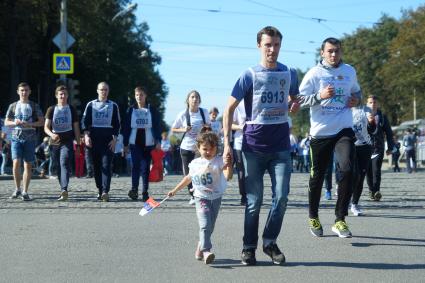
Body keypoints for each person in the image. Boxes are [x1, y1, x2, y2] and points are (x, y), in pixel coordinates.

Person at [222, 26, 300, 266]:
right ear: (259, 46)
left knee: (282, 197)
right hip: (253, 147)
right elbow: (229, 109)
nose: (272, 50)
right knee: (254, 201)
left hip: (280, 147)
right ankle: (248, 247)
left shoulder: (289, 73)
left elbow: (293, 100)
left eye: (276, 45)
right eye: (268, 45)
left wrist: (294, 105)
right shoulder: (249, 75)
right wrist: (226, 144)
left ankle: (269, 242)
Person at [299, 37, 361, 238]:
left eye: (337, 51)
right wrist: (320, 96)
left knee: (348, 169)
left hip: (344, 128)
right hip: (321, 132)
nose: (334, 55)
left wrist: (356, 100)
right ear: (322, 53)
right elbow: (299, 101)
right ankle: (313, 216)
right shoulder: (314, 74)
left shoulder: (349, 71)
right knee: (317, 176)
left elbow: (357, 92)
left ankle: (340, 219)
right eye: (330, 51)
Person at [167, 129, 232, 265]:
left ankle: (199, 247)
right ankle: (207, 250)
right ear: (198, 148)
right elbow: (188, 178)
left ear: (216, 149)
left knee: (210, 226)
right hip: (200, 197)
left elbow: (228, 176)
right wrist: (174, 190)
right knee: (205, 224)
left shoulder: (219, 161)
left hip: (216, 197)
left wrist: (229, 164)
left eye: (211, 149)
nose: (208, 152)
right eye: (205, 149)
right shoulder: (195, 163)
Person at [4, 82, 44, 200]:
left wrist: (30, 123)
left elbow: (41, 121)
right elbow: (6, 122)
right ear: (18, 92)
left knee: (28, 164)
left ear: (29, 92)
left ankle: (25, 191)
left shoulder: (34, 105)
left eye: (26, 90)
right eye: (22, 90)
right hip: (15, 137)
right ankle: (17, 188)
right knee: (16, 163)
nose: (24, 92)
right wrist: (14, 123)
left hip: (30, 138)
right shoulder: (13, 105)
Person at [81, 82, 121, 201]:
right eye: (101, 89)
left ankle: (105, 191)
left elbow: (117, 124)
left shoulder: (113, 106)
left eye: (106, 90)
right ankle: (99, 189)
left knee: (106, 165)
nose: (103, 92)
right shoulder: (90, 104)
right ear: (97, 91)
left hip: (107, 140)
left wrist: (115, 139)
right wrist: (86, 136)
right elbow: (85, 121)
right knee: (97, 167)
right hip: (93, 139)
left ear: (108, 91)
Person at [122, 86, 162, 201]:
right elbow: (126, 128)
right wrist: (125, 144)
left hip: (149, 142)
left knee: (145, 168)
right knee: (135, 166)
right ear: (135, 96)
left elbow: (157, 126)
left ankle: (145, 191)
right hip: (135, 142)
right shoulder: (130, 110)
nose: (139, 97)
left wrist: (158, 140)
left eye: (142, 94)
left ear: (146, 96)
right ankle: (134, 190)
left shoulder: (152, 109)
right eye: (137, 95)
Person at [171, 90, 210, 204]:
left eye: (197, 97)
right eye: (192, 97)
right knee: (188, 173)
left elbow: (209, 127)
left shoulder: (204, 112)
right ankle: (192, 195)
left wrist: (206, 127)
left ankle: (201, 193)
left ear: (199, 100)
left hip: (200, 148)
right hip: (186, 147)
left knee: (201, 171)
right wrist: (184, 129)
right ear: (188, 100)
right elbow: (174, 129)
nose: (195, 99)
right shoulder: (183, 114)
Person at [44, 85, 81, 201]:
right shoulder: (51, 109)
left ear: (68, 95)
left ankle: (64, 189)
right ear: (56, 96)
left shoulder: (71, 109)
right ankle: (62, 188)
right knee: (58, 167)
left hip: (68, 141)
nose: (63, 96)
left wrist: (78, 144)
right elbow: (46, 127)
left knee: (64, 163)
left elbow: (76, 128)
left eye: (65, 94)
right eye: (60, 94)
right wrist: (51, 134)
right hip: (55, 143)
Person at [365, 95, 394, 201]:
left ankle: (376, 191)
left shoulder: (382, 116)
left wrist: (390, 147)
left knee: (376, 170)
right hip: (365, 148)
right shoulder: (362, 115)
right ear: (367, 104)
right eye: (370, 102)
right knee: (368, 172)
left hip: (378, 147)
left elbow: (389, 133)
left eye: (374, 102)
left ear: (378, 104)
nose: (373, 104)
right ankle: (371, 190)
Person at [350, 104, 375, 216]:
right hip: (348, 146)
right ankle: (344, 200)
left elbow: (372, 130)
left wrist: (371, 122)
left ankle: (354, 204)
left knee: (360, 176)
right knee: (350, 175)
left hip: (365, 146)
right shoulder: (343, 109)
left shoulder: (366, 109)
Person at [231, 103, 247, 205]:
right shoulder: (238, 105)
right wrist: (241, 126)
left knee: (255, 171)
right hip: (240, 143)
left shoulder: (259, 101)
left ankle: (254, 195)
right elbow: (230, 124)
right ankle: (244, 196)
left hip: (256, 142)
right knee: (241, 170)